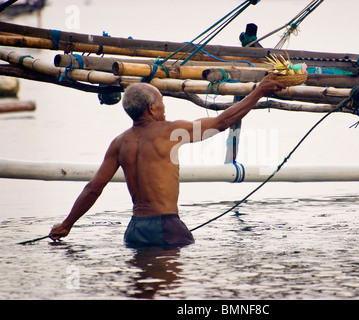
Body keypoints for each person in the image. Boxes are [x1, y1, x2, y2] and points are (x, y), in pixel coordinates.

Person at [49, 74, 286, 247]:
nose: (165, 109)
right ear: (152, 108)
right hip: (166, 226)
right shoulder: (170, 131)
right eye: (162, 103)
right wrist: (259, 92)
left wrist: (67, 224)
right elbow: (221, 123)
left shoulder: (119, 143)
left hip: (135, 229)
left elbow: (93, 188)